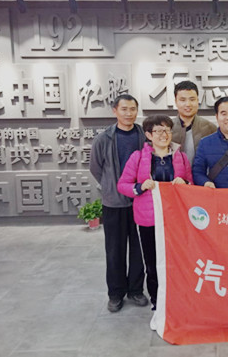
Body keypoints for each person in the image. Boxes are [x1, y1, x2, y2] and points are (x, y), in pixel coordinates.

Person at [117, 115, 193, 315]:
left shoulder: (181, 157)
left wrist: (185, 183)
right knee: (152, 261)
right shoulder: (138, 157)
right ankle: (157, 298)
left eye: (167, 130)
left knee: (176, 260)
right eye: (158, 131)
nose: (163, 134)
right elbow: (122, 185)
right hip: (148, 219)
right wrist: (140, 186)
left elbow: (192, 184)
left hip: (175, 219)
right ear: (149, 135)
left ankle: (176, 296)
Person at [89, 94, 149, 313]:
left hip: (140, 202)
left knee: (138, 249)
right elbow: (96, 168)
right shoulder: (104, 138)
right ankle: (115, 294)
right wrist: (110, 186)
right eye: (124, 109)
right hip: (114, 204)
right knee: (114, 251)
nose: (129, 113)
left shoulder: (144, 135)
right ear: (115, 111)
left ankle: (135, 290)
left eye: (133, 109)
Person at [171, 80, 217, 164]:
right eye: (183, 100)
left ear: (197, 101)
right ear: (176, 102)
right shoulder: (167, 128)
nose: (188, 104)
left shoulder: (210, 128)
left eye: (192, 99)